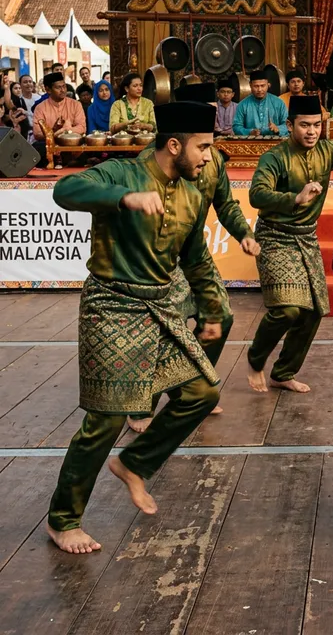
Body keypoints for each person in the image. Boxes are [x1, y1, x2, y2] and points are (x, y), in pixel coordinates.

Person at [45, 100, 226, 554]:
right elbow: (64, 191)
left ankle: (135, 464)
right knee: (105, 419)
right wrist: (123, 199)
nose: (208, 158)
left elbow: (195, 257)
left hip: (160, 306)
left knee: (202, 392)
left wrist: (211, 309)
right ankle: (63, 519)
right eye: (203, 148)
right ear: (173, 144)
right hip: (111, 304)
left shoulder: (192, 189)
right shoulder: (119, 174)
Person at [132, 82, 259, 430]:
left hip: (194, 253)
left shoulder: (214, 159)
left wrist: (244, 234)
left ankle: (191, 386)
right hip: (154, 259)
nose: (204, 148)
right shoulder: (149, 161)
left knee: (222, 316)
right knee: (160, 329)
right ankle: (142, 404)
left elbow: (227, 205)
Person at [247, 95, 333, 394]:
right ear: (289, 125)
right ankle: (255, 360)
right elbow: (256, 194)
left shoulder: (327, 151)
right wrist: (294, 198)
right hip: (274, 235)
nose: (311, 131)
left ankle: (283, 372)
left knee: (312, 311)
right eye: (304, 125)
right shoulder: (275, 157)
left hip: (305, 236)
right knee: (288, 310)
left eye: (317, 125)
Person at [32, 72, 87, 165]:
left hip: (71, 144)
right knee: (37, 148)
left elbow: (82, 128)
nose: (63, 90)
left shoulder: (76, 104)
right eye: (58, 87)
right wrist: (56, 132)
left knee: (85, 146)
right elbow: (37, 134)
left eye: (64, 86)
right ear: (48, 90)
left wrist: (66, 131)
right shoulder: (40, 108)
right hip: (50, 145)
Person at [232, 69, 288, 136]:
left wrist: (278, 129)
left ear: (268, 85)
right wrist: (250, 132)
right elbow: (236, 127)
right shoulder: (242, 105)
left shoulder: (279, 103)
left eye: (263, 86)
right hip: (251, 144)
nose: (259, 90)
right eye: (256, 86)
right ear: (250, 85)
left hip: (276, 144)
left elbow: (288, 125)